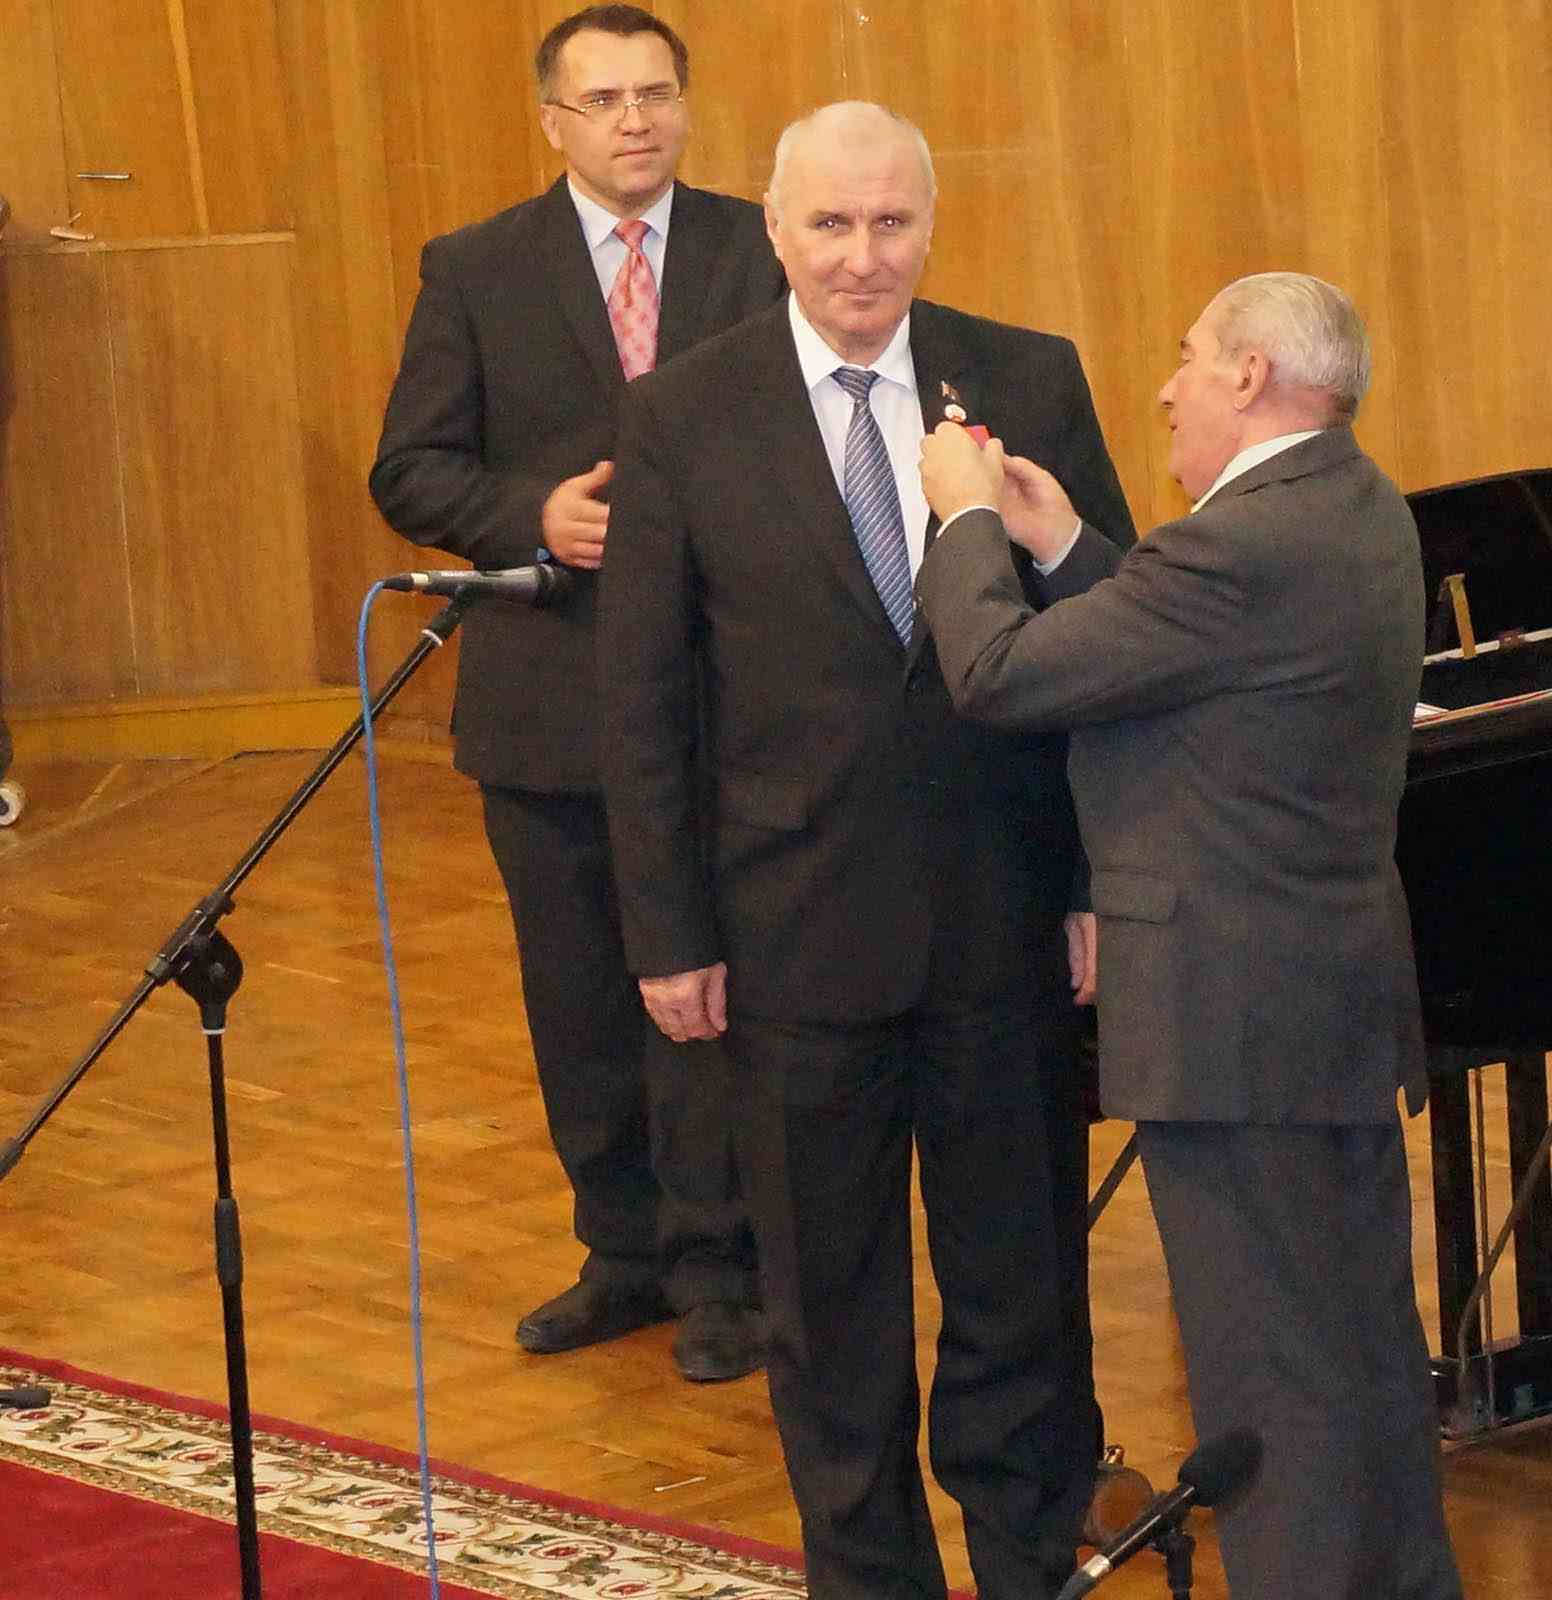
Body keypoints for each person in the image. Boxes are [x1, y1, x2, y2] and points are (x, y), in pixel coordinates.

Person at [599, 102, 1135, 1600]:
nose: (861, 256)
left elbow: (1109, 649)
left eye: (890, 222)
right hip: (788, 937)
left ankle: (1027, 1565)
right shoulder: (683, 414)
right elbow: (644, 701)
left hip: (1004, 924)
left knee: (1022, 1289)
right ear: (773, 230)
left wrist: (1095, 882)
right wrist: (668, 933)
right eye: (830, 224)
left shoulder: (1027, 377)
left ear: (931, 224)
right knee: (828, 1312)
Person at [915, 271, 1464, 1599]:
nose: (1166, 388)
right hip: (1322, 999)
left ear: (1249, 376)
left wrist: (968, 520)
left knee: (1274, 1376)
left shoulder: (1239, 545)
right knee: (1358, 1352)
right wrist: (1063, 545)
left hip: (1231, 1021)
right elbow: (1190, 650)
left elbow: (998, 674)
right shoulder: (1356, 503)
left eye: (1188, 358)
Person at [370, 5, 784, 1383]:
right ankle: (624, 1253)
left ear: (687, 106)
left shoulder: (761, 249)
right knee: (580, 997)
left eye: (654, 93)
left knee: (713, 993)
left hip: (731, 702)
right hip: (549, 699)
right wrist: (531, 516)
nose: (633, 120)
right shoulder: (477, 268)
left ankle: (729, 1266)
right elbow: (410, 468)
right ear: (553, 121)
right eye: (602, 100)